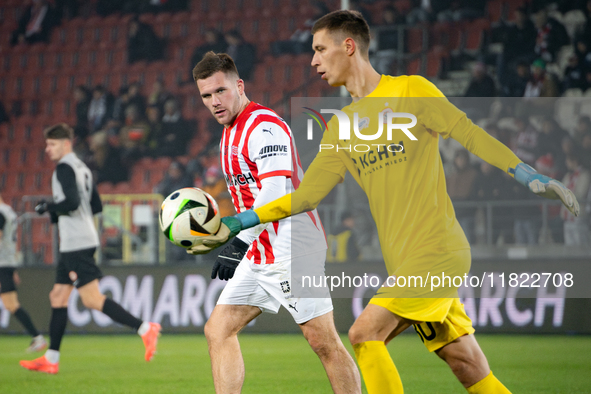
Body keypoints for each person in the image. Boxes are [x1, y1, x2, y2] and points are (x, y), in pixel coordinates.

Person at [194, 11, 580, 394]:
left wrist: (525, 173)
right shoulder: (340, 126)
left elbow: (469, 133)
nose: (312, 60)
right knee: (468, 367)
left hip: (438, 250)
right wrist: (240, 223)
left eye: (319, 49)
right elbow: (306, 196)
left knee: (364, 334)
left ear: (348, 47)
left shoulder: (412, 90)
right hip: (404, 260)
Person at [191, 52, 361, 393]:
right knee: (218, 329)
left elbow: (273, 191)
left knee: (322, 341)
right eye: (206, 96)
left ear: (239, 86)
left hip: (293, 246)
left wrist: (238, 241)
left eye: (221, 91)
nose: (214, 102)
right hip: (262, 249)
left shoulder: (263, 127)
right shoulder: (229, 133)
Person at [20, 124, 160, 374]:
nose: (47, 149)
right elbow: (95, 205)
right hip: (78, 239)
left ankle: (145, 328)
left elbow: (72, 202)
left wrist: (48, 207)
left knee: (92, 299)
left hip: (76, 242)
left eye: (52, 144)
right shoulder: (83, 168)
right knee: (58, 297)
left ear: (66, 144)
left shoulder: (64, 168)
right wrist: (60, 211)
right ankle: (51, 358)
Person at [0, 193, 47, 353]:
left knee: (11, 304)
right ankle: (37, 337)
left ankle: (37, 338)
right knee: (11, 304)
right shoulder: (9, 212)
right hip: (7, 263)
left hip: (2, 263)